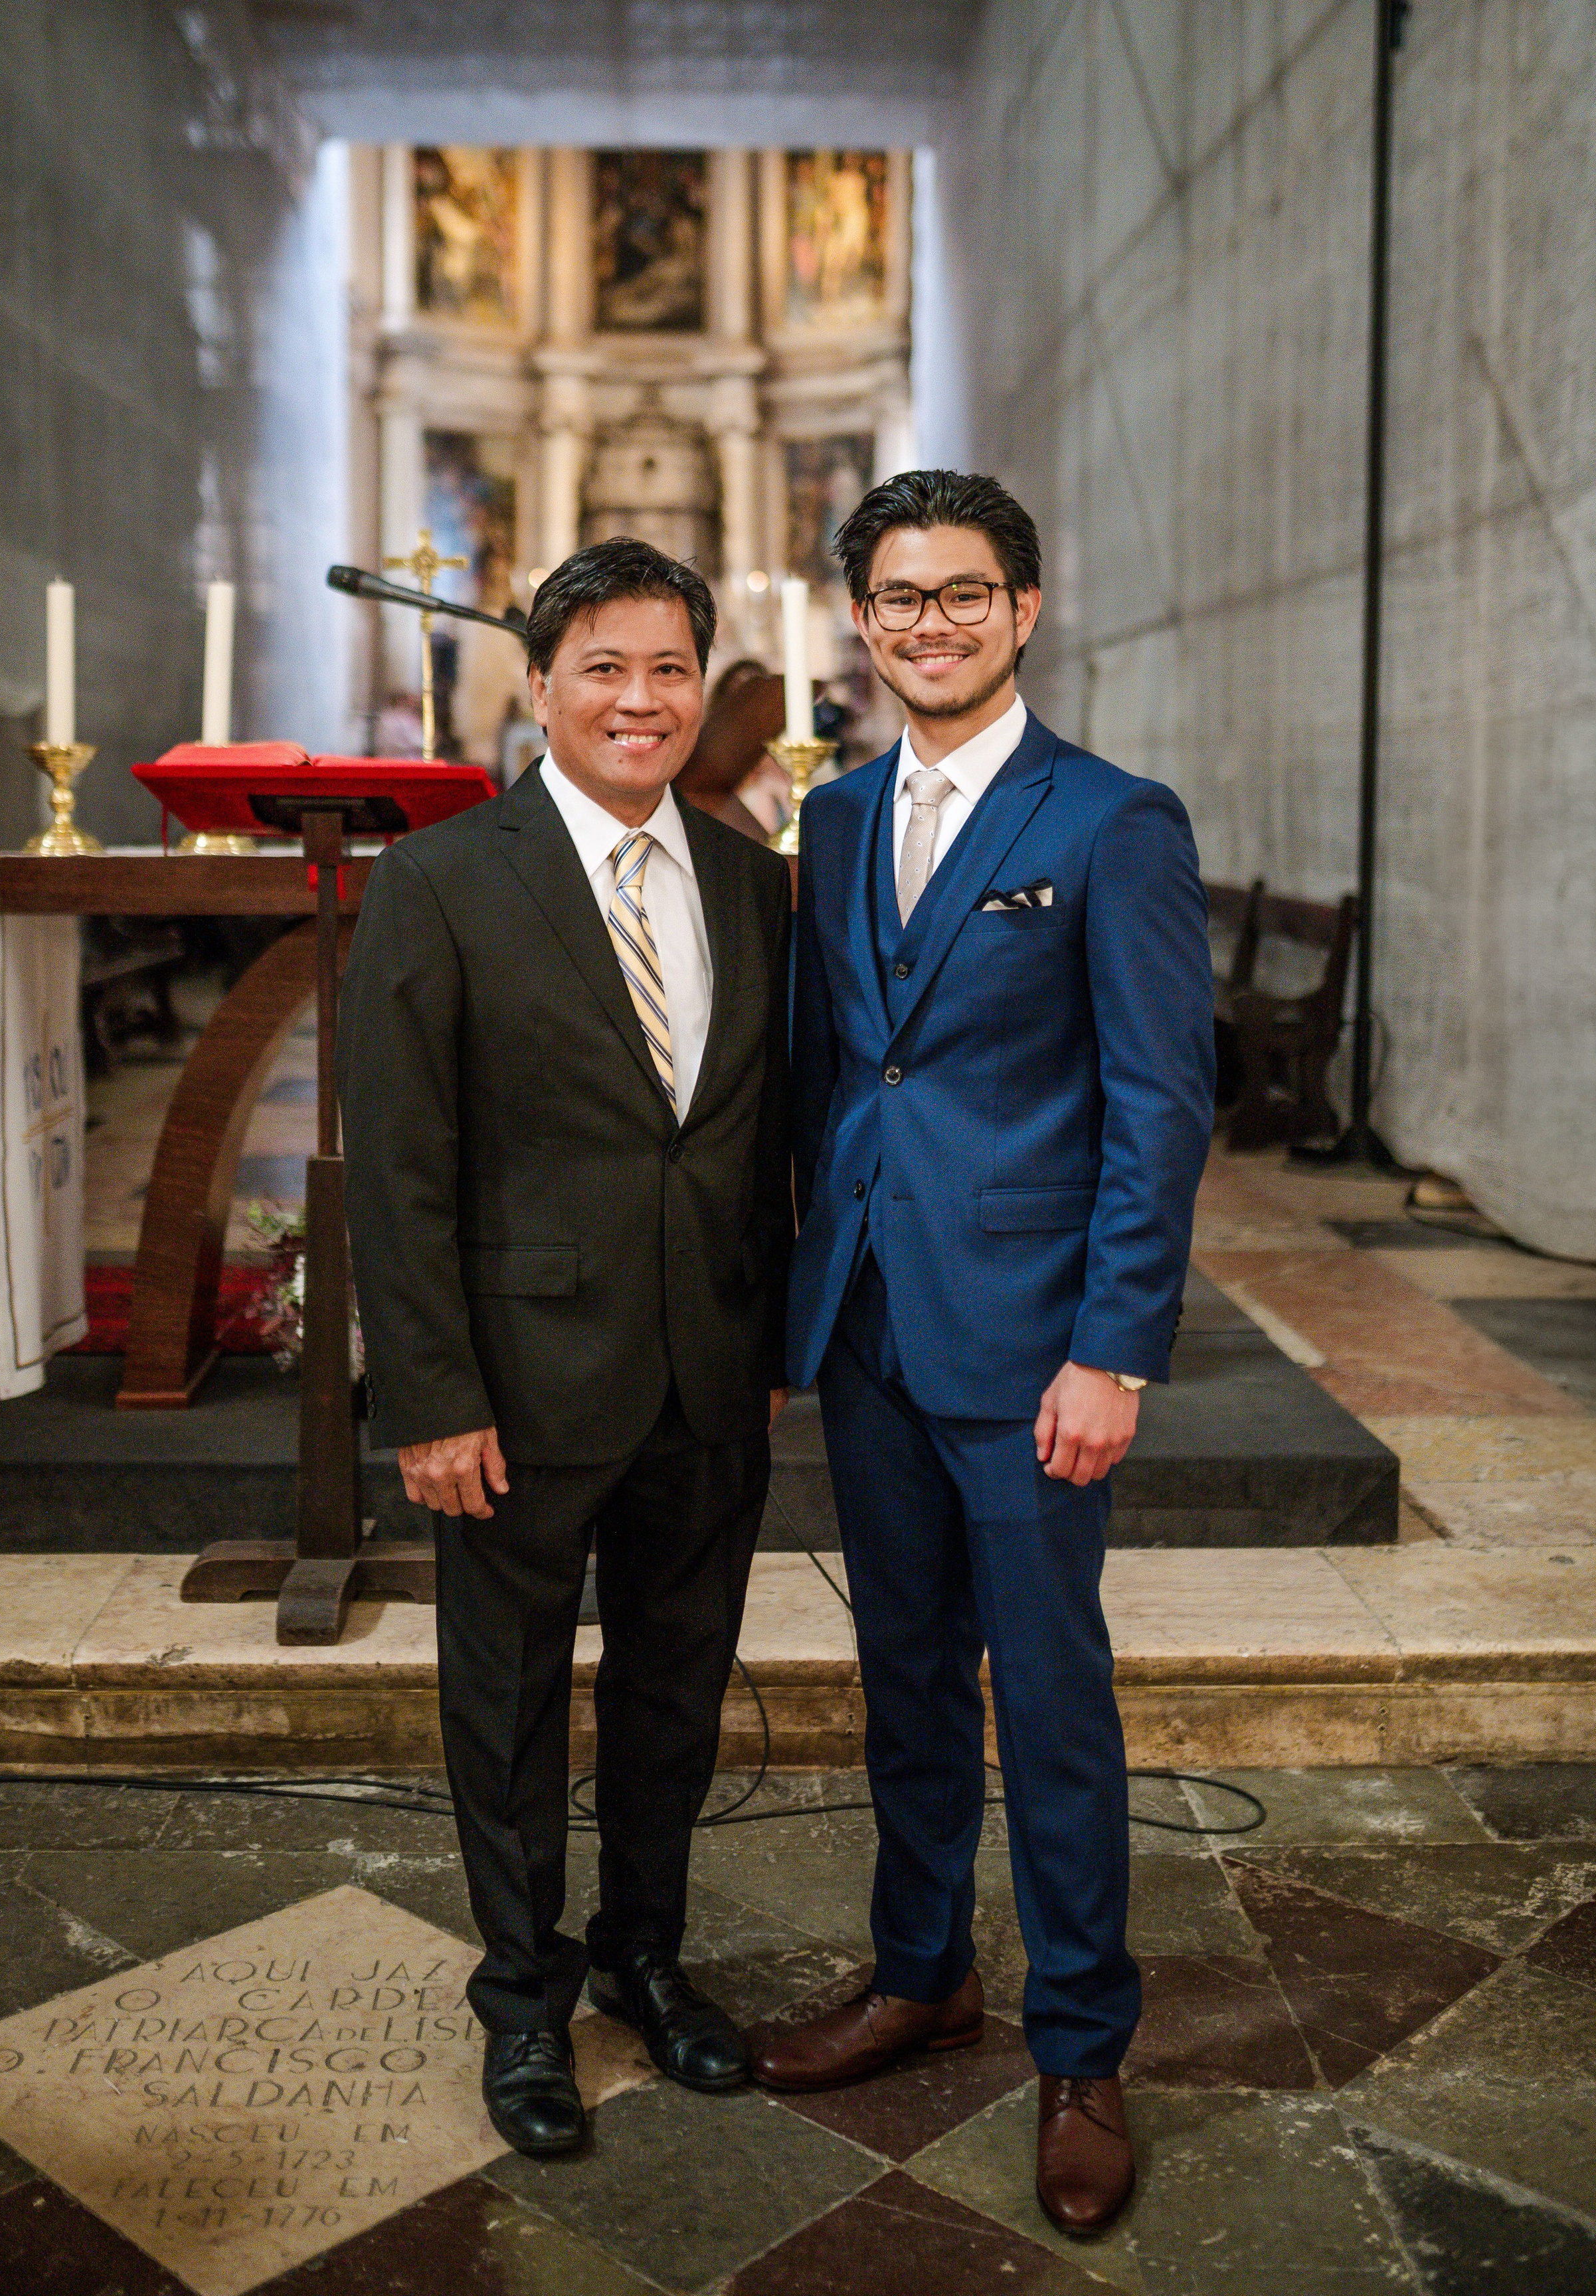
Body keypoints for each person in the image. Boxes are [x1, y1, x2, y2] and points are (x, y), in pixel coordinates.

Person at [753, 471, 1213, 2238]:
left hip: (1032, 1351)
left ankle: (1084, 2048)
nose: (926, 622)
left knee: (1055, 1702)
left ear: (1024, 609)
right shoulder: (844, 816)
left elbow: (1162, 1107)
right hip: (870, 1324)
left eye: (962, 593)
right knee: (909, 1683)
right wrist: (788, 1300)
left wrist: (1116, 1351)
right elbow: (828, 1074)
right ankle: (919, 1967)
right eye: (896, 596)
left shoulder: (1112, 823)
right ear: (858, 621)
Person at [337, 539, 793, 2158]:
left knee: (675, 1694)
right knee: (512, 1703)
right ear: (540, 687)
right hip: (518, 1387)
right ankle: (524, 2000)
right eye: (602, 666)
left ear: (701, 687)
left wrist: (779, 1325)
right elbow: (397, 1162)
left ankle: (646, 1959)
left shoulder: (750, 879)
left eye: (669, 667)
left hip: (704, 1373)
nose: (639, 698)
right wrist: (433, 1393)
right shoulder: (444, 880)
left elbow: (763, 1128)